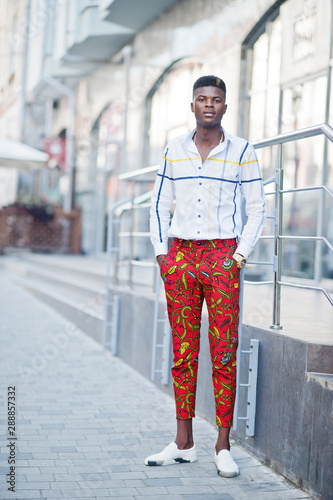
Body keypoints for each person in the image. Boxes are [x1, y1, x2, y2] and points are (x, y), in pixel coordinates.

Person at [146, 75, 266, 477]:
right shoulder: (174, 151)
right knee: (183, 352)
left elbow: (258, 209)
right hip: (180, 256)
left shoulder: (243, 151)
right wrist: (164, 255)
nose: (209, 105)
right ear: (192, 105)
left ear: (225, 107)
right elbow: (158, 206)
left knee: (224, 352)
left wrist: (238, 257)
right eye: (202, 99)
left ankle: (222, 444)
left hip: (221, 258)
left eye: (216, 99)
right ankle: (183, 442)